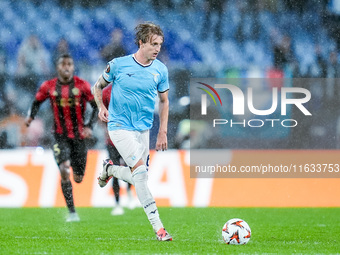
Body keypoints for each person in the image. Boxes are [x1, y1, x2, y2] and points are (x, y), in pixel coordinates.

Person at [92, 22, 172, 241]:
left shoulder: (160, 70)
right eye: (153, 44)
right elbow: (97, 86)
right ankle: (159, 228)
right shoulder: (118, 65)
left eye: (160, 45)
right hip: (119, 126)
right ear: (141, 42)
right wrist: (101, 107)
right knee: (141, 174)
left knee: (140, 178)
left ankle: (110, 170)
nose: (157, 49)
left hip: (143, 129)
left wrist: (162, 131)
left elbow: (164, 101)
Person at [25, 53, 98, 222]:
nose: (66, 67)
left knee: (78, 178)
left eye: (69, 64)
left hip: (79, 137)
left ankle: (75, 175)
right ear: (58, 67)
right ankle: (72, 212)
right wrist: (30, 117)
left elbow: (96, 107)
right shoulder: (49, 86)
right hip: (59, 136)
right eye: (63, 64)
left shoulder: (83, 86)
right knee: (65, 170)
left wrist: (89, 126)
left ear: (73, 67)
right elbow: (37, 101)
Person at [102, 84, 134, 216]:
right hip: (112, 139)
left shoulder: (130, 89)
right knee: (114, 169)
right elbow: (102, 112)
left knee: (130, 166)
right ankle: (117, 203)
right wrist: (107, 129)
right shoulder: (106, 92)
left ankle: (129, 191)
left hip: (128, 136)